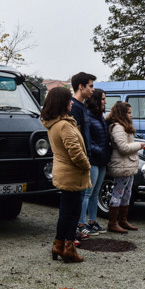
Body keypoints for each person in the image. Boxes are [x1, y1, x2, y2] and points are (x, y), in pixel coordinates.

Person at [41, 86, 91, 263]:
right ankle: (68, 248)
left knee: (66, 211)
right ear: (62, 103)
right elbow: (75, 152)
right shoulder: (64, 125)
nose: (71, 102)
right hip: (72, 174)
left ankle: (58, 244)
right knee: (72, 212)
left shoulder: (54, 124)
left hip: (64, 172)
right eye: (69, 100)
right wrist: (87, 165)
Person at [106, 101, 144, 233]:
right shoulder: (117, 127)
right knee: (118, 192)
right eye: (128, 113)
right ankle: (113, 223)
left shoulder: (122, 126)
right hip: (122, 165)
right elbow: (123, 148)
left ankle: (122, 220)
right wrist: (139, 145)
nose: (131, 115)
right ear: (122, 114)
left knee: (126, 193)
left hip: (127, 165)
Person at [68, 72, 96, 239]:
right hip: (79, 161)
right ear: (81, 86)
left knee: (81, 197)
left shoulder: (82, 107)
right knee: (77, 199)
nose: (93, 90)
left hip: (86, 157)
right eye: (90, 86)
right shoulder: (74, 108)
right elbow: (74, 139)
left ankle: (75, 232)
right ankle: (73, 232)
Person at [79, 88, 110, 235]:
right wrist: (100, 150)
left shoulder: (100, 117)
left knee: (95, 193)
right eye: (103, 99)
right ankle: (81, 223)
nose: (105, 102)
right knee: (87, 193)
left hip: (102, 160)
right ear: (96, 100)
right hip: (93, 160)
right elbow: (87, 141)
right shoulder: (88, 118)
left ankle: (92, 221)